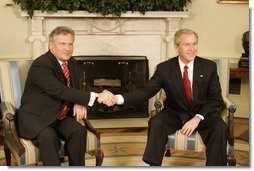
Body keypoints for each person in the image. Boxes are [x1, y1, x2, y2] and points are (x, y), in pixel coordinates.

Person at [100, 28, 228, 166]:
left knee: (219, 128)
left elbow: (215, 99)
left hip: (203, 113)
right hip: (175, 112)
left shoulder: (209, 67)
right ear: (176, 47)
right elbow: (145, 92)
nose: (192, 49)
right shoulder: (164, 68)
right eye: (187, 45)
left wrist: (197, 118)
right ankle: (154, 166)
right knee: (156, 122)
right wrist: (117, 98)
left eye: (195, 44)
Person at [16, 26, 113, 166]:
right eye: (62, 44)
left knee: (79, 130)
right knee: (49, 136)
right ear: (51, 46)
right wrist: (97, 96)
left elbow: (74, 87)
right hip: (35, 117)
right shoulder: (41, 65)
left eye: (70, 44)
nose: (67, 48)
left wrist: (78, 103)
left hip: (58, 116)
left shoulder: (72, 62)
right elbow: (60, 91)